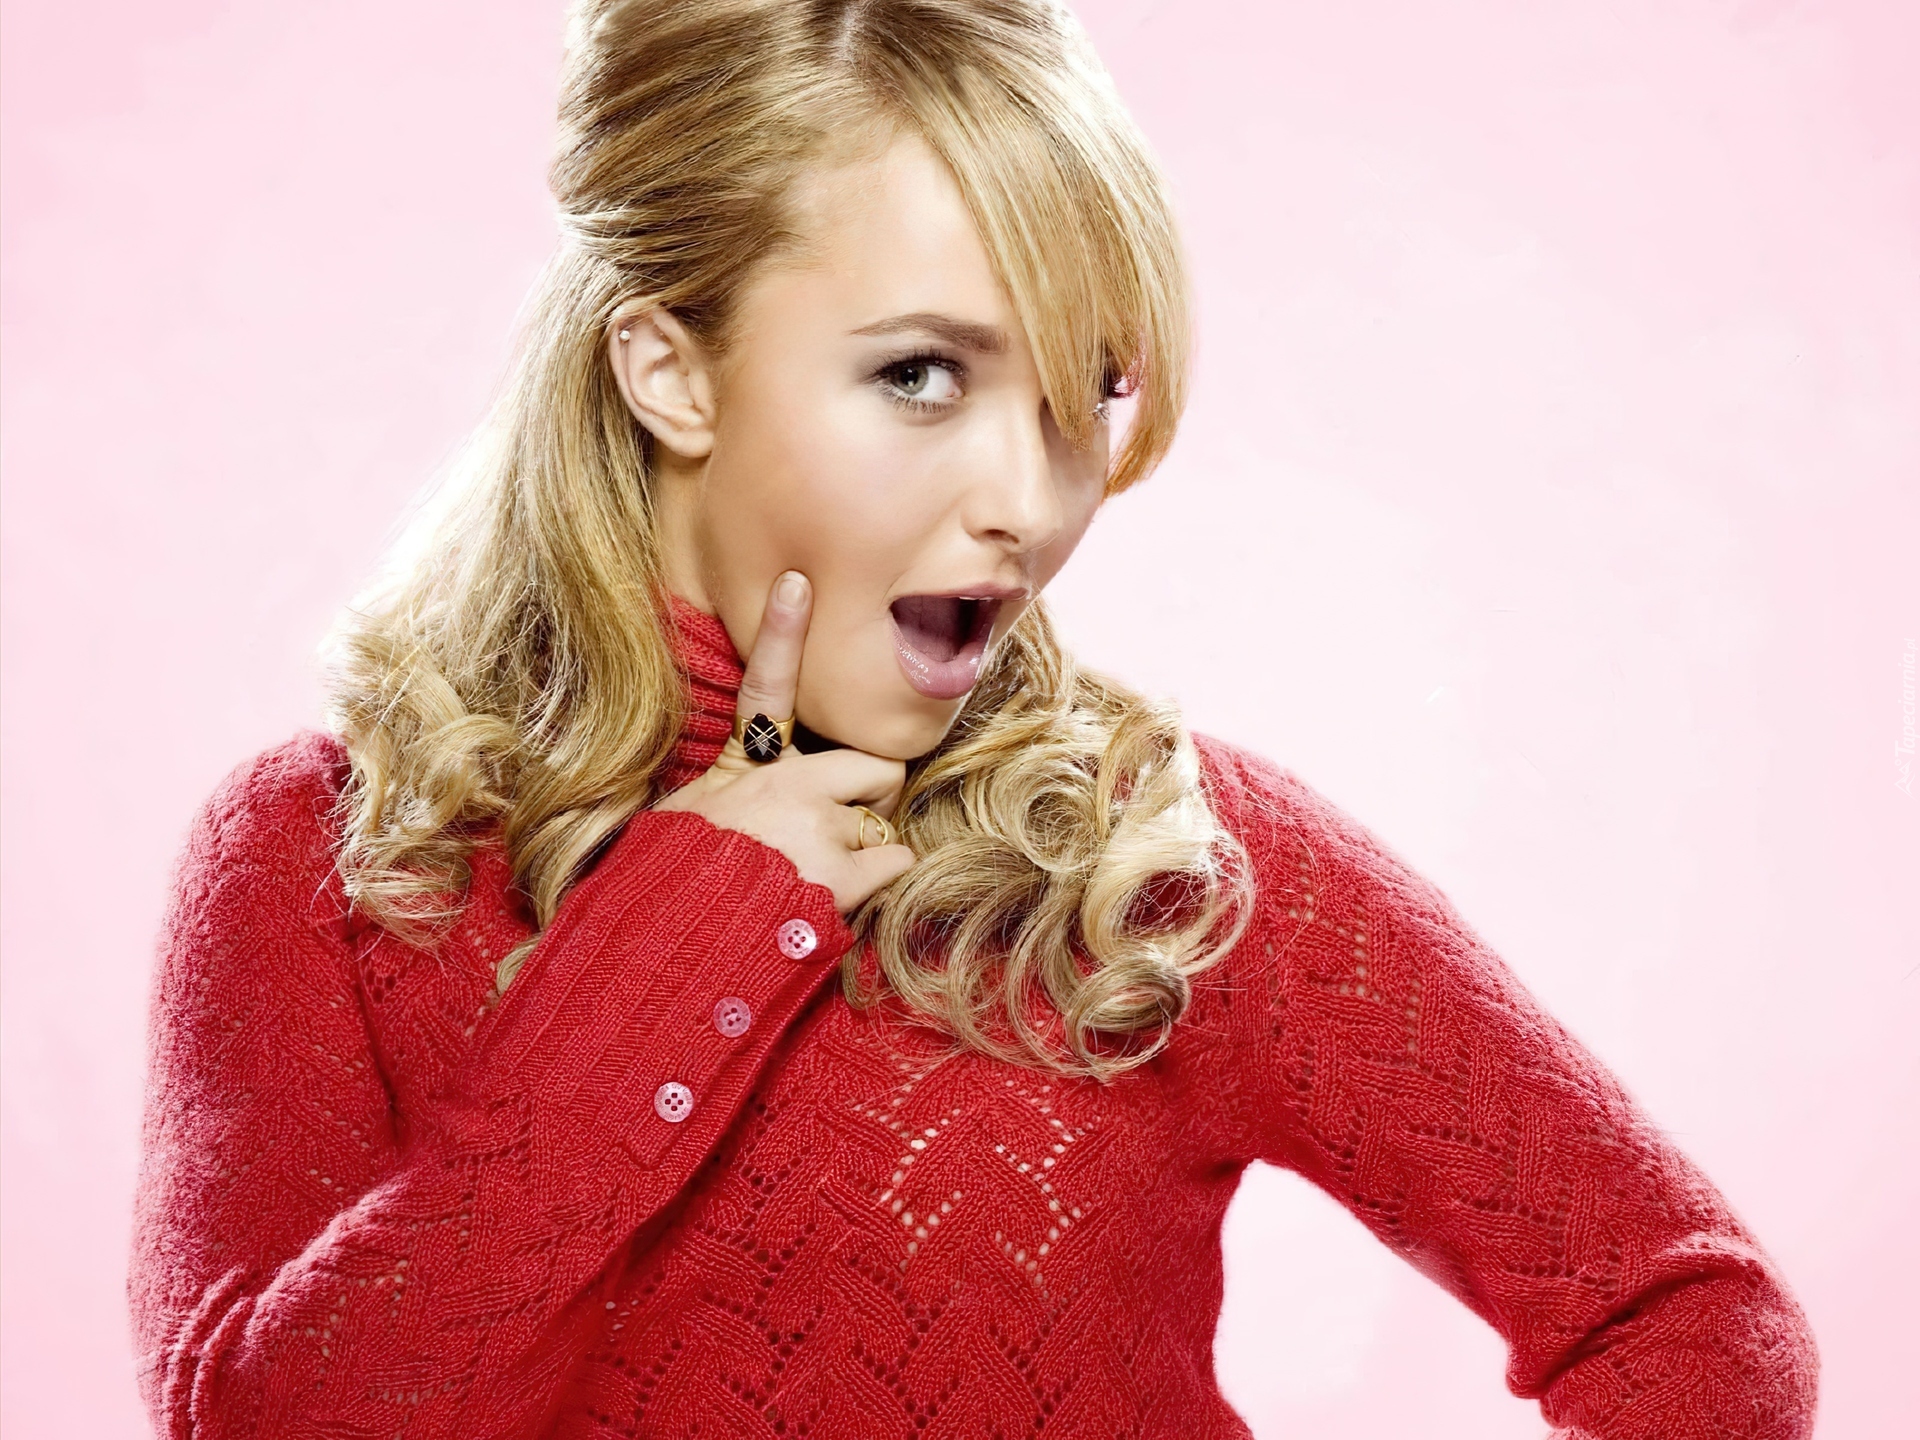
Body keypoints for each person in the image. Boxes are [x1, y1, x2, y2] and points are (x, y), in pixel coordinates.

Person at [127, 1, 1817, 1436]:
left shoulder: (1158, 860)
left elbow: (1684, 1316)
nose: (1031, 496)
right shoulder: (333, 863)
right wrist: (692, 926)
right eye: (920, 375)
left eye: (1087, 389)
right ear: (671, 370)